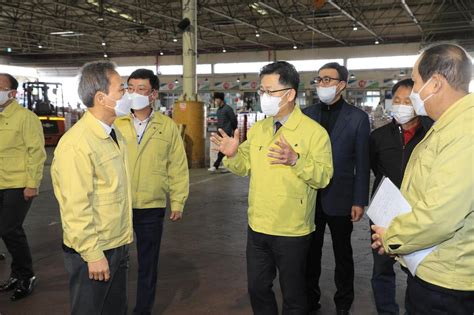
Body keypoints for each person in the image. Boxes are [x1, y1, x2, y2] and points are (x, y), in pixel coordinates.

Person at [212, 61, 333, 314]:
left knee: (294, 295)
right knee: (257, 288)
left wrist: (296, 160)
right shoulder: (259, 129)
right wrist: (232, 154)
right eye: (261, 91)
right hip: (258, 225)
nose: (263, 97)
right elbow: (244, 166)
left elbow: (323, 177)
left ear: (290, 94)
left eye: (270, 91)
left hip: (292, 229)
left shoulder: (314, 133)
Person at [372, 43, 474, 314]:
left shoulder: (465, 132)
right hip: (432, 264)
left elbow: (441, 215)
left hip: (447, 282)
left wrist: (392, 237)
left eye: (416, 83)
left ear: (436, 83)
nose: (414, 92)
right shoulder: (450, 124)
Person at [51, 61, 133, 315]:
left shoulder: (113, 133)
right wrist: (92, 254)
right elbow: (75, 207)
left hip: (117, 242)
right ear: (101, 98)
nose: (127, 95)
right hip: (95, 250)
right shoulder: (76, 144)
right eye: (121, 89)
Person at [115, 69, 189, 315]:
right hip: (118, 204)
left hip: (151, 205)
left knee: (147, 263)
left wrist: (177, 201)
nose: (134, 93)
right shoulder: (115, 123)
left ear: (154, 94)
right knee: (115, 261)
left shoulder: (167, 127)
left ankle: (142, 310)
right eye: (130, 88)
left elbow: (177, 166)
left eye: (141, 89)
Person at [303, 62, 370, 315]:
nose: (322, 84)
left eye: (328, 80)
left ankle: (344, 303)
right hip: (309, 196)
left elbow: (363, 164)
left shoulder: (358, 118)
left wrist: (359, 200)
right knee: (310, 253)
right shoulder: (307, 114)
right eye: (319, 80)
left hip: (341, 198)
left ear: (342, 85)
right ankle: (310, 300)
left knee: (343, 255)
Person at [369, 78, 433, 315]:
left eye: (408, 100)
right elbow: (376, 168)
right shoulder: (379, 136)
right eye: (397, 99)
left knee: (415, 269)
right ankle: (387, 311)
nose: (401, 105)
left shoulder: (430, 134)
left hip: (417, 213)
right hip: (384, 212)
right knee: (381, 268)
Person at [0, 73, 46, 301]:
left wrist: (32, 184)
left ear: (12, 93)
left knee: (9, 228)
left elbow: (36, 152)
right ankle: (16, 274)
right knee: (6, 230)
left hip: (18, 184)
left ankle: (26, 276)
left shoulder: (25, 118)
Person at [208, 92, 237, 172]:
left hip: (227, 133)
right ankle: (228, 166)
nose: (215, 101)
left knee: (222, 150)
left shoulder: (228, 109)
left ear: (221, 99)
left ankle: (215, 165)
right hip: (220, 133)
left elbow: (234, 120)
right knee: (224, 150)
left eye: (216, 99)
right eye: (214, 100)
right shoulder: (218, 110)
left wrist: (234, 131)